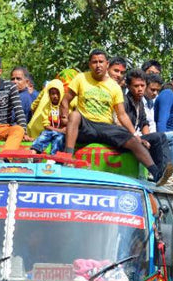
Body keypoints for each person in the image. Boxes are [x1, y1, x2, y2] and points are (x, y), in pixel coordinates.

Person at [61, 49, 166, 182]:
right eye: (94, 62)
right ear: (89, 64)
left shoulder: (114, 87)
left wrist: (135, 134)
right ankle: (67, 159)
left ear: (107, 64)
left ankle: (157, 174)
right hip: (86, 125)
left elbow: (122, 115)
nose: (98, 65)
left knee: (134, 140)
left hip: (106, 126)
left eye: (101, 62)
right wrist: (64, 118)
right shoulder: (81, 78)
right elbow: (65, 100)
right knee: (75, 115)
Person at [121, 69, 173, 184]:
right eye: (136, 86)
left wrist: (148, 137)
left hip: (135, 137)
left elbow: (144, 123)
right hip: (125, 138)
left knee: (159, 136)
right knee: (157, 137)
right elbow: (120, 124)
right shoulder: (124, 101)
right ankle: (159, 174)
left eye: (142, 85)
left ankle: (165, 172)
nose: (140, 89)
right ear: (129, 86)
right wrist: (140, 139)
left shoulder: (139, 102)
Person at [29, 82, 67, 155]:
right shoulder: (46, 107)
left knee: (59, 139)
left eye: (57, 94)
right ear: (49, 95)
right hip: (51, 130)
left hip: (62, 133)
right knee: (43, 135)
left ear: (62, 93)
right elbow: (46, 126)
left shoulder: (65, 106)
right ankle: (33, 152)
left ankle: (54, 158)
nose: (55, 96)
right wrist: (58, 130)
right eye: (52, 94)